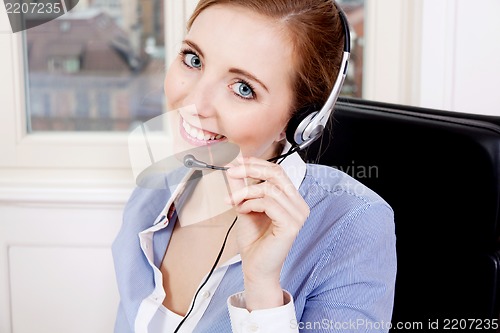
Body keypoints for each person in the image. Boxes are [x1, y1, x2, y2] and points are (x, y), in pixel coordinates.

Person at [112, 0, 397, 332]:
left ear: (301, 122)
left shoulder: (353, 225)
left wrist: (262, 288)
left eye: (243, 89)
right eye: (194, 60)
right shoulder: (155, 191)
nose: (195, 103)